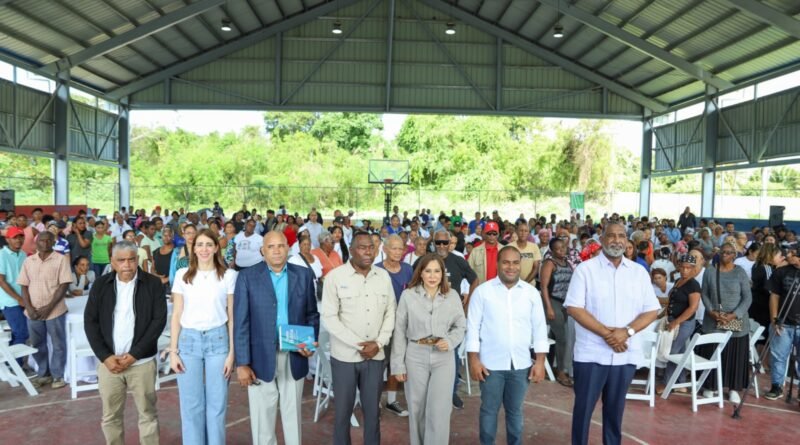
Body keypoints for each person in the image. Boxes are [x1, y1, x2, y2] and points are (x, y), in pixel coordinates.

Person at [565, 223, 660, 445]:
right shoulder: (585, 270)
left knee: (615, 412)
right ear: (602, 239)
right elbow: (574, 308)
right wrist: (608, 335)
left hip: (624, 354)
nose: (616, 240)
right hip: (591, 354)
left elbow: (652, 310)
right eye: (611, 236)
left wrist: (626, 332)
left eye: (621, 236)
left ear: (627, 241)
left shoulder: (638, 273)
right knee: (583, 410)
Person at [234, 231, 319, 444]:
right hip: (259, 357)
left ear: (288, 248)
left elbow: (312, 314)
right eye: (271, 247)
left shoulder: (303, 275)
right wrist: (242, 363)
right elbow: (241, 323)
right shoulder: (247, 277)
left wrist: (310, 343)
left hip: (295, 353)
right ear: (262, 251)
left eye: (281, 246)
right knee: (262, 417)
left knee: (293, 414)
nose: (276, 251)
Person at [84, 240, 167, 445]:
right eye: (121, 260)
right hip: (109, 364)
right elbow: (90, 322)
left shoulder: (153, 284)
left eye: (131, 259)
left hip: (142, 363)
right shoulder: (101, 285)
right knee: (110, 416)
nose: (127, 265)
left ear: (137, 259)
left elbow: (158, 321)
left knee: (148, 414)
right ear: (112, 262)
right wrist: (105, 357)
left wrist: (135, 354)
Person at [466, 246, 549, 445]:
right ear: (497, 264)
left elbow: (539, 329)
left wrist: (540, 362)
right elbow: (472, 328)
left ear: (520, 265)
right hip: (490, 366)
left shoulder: (531, 293)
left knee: (515, 411)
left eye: (515, 262)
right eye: (506, 262)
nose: (511, 267)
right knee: (489, 410)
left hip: (521, 365)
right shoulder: (482, 292)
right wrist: (473, 361)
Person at [321, 231, 396, 445]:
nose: (368, 252)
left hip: (375, 356)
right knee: (343, 414)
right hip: (345, 357)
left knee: (372, 413)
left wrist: (378, 343)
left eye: (371, 247)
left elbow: (391, 311)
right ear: (352, 250)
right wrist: (360, 345)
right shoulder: (335, 277)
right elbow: (329, 318)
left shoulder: (383, 277)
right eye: (362, 247)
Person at [169, 229, 237, 444]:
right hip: (188, 342)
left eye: (209, 244)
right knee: (191, 406)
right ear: (193, 248)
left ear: (216, 247)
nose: (204, 249)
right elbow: (176, 314)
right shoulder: (182, 275)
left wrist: (232, 353)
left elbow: (232, 317)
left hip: (218, 341)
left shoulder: (228, 276)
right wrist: (173, 351)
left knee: (217, 405)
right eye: (200, 244)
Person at [392, 253, 466, 445]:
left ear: (443, 274)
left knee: (439, 409)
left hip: (443, 357)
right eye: (428, 271)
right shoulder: (408, 296)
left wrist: (450, 341)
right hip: (415, 355)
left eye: (437, 271)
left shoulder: (452, 295)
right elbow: (399, 331)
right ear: (421, 273)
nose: (432, 276)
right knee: (416, 407)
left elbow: (461, 326)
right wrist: (398, 365)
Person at [18, 231, 73, 389]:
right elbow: (24, 286)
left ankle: (57, 376)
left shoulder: (61, 259)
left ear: (54, 242)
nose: (45, 243)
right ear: (36, 242)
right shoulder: (29, 261)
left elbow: (64, 285)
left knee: (58, 344)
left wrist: (49, 308)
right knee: (37, 344)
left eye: (49, 240)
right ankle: (44, 374)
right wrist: (29, 308)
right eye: (42, 240)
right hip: (33, 312)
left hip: (55, 311)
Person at [699, 243, 752, 404]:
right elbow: (704, 293)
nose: (725, 255)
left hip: (736, 321)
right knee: (713, 352)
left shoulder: (740, 272)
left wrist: (734, 315)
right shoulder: (710, 271)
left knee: (734, 356)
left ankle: (733, 389)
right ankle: (711, 385)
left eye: (729, 253)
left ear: (734, 255)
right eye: (723, 252)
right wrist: (711, 311)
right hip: (713, 319)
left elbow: (747, 298)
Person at [376, 235, 414, 417]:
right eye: (394, 248)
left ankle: (391, 401)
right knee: (378, 364)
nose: (398, 252)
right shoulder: (376, 270)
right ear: (385, 249)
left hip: (402, 325)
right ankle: (373, 400)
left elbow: (413, 293)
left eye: (401, 249)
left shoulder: (408, 269)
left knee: (396, 363)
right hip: (381, 325)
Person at [656, 254, 701, 394]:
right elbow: (672, 301)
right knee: (679, 352)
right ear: (679, 267)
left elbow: (693, 308)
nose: (685, 270)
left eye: (688, 268)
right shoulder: (678, 281)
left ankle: (666, 383)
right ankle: (681, 383)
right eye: (683, 267)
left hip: (684, 323)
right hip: (673, 320)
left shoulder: (693, 285)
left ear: (693, 269)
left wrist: (676, 321)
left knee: (672, 352)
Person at [764, 246, 800, 400]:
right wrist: (774, 319)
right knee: (778, 356)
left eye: (792, 254)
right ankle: (776, 386)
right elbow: (774, 296)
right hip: (783, 323)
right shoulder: (781, 272)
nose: (787, 256)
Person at [539, 237, 575, 387]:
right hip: (552, 301)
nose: (561, 251)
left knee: (555, 336)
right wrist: (548, 307)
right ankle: (561, 372)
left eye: (563, 248)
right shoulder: (549, 263)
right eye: (558, 249)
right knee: (563, 338)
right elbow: (543, 287)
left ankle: (551, 367)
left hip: (564, 303)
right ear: (552, 250)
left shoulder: (567, 263)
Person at [0, 226, 29, 362]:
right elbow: (1, 281)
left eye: (21, 237)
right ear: (7, 239)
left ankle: (10, 363)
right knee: (22, 332)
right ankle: (16, 366)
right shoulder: (2, 255)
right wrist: (18, 298)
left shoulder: (23, 254)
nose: (18, 240)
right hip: (10, 301)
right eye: (15, 238)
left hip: (23, 298)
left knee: (21, 332)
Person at [750, 243, 783, 329]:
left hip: (755, 302)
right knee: (762, 330)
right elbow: (770, 289)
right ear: (771, 255)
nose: (781, 259)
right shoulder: (766, 268)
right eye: (779, 256)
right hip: (763, 305)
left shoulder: (756, 265)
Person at [288, 233, 323, 300]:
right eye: (304, 244)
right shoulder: (294, 260)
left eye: (308, 244)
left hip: (317, 293)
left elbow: (320, 275)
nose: (307, 246)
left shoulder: (315, 258)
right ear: (299, 245)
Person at [511, 221, 542, 286]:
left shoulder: (534, 247)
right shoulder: (509, 247)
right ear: (516, 232)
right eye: (521, 230)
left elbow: (536, 268)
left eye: (526, 231)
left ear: (529, 233)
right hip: (512, 284)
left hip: (530, 285)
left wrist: (525, 284)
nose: (523, 233)